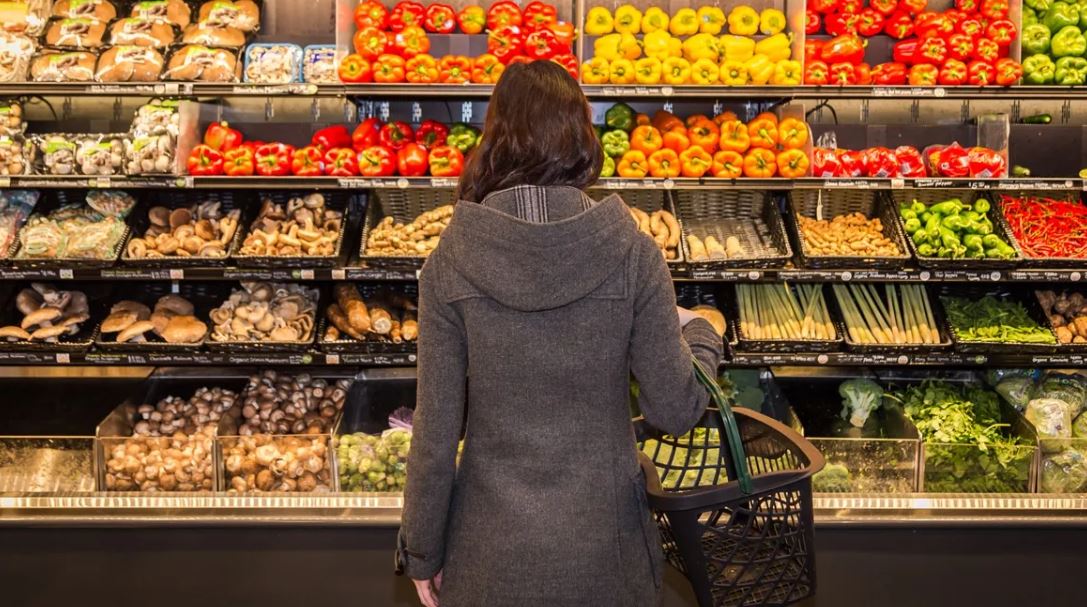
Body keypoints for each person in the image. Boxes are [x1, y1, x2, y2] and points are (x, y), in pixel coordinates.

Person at [397, 60, 724, 607]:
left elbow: (434, 432)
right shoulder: (634, 253)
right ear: (582, 135)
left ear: (493, 136)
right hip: (608, 556)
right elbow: (675, 409)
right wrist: (703, 338)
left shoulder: (449, 262)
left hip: (488, 559)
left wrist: (422, 551)